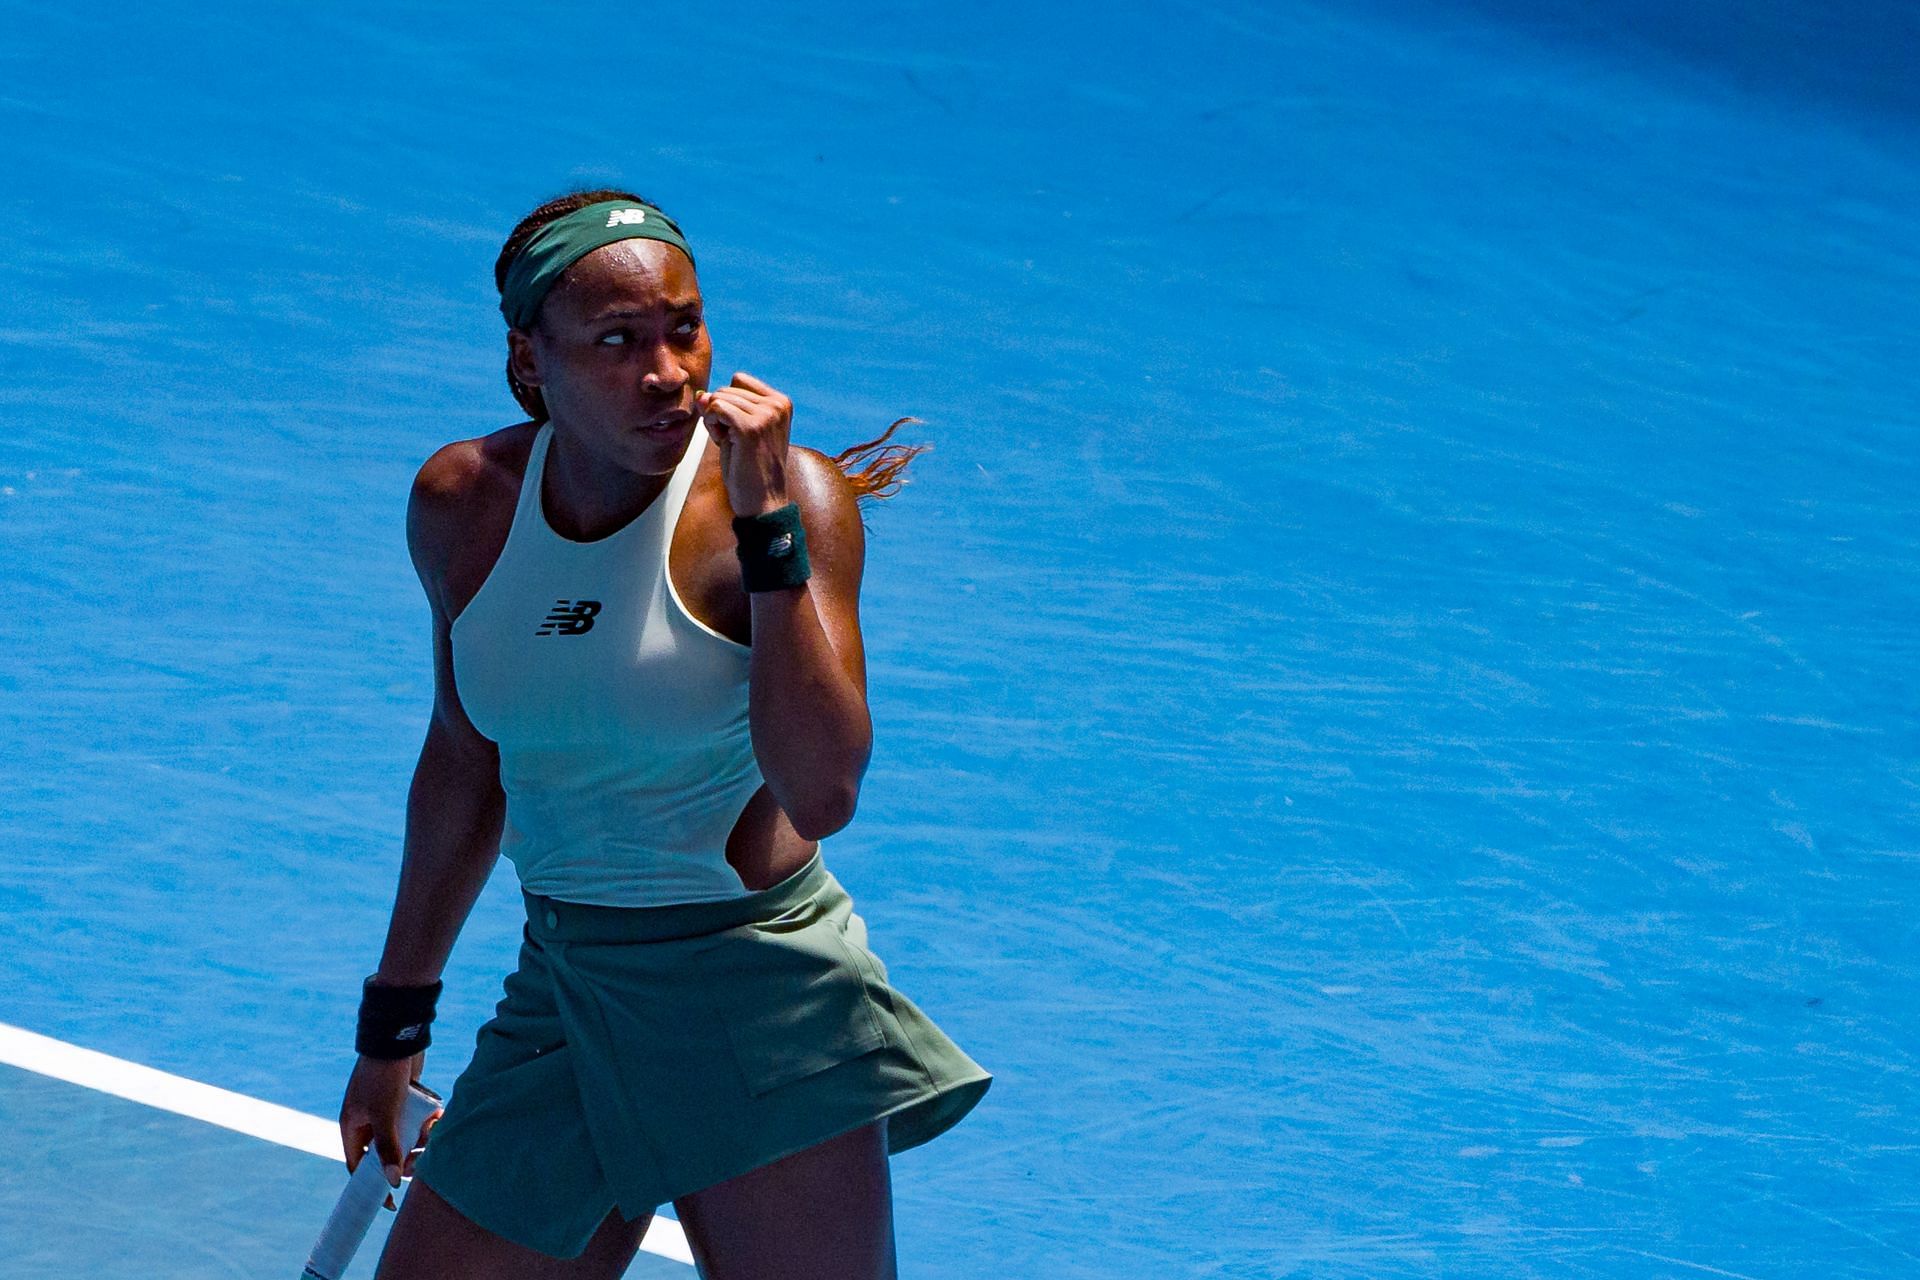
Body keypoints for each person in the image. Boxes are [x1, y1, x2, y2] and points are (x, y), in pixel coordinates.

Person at [337, 188, 992, 1280]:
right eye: (616, 340)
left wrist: (770, 521)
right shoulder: (463, 503)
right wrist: (391, 1030)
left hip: (758, 1006)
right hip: (566, 988)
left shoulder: (790, 504)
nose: (669, 372)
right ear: (530, 358)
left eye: (683, 327)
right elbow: (463, 762)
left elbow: (822, 788)